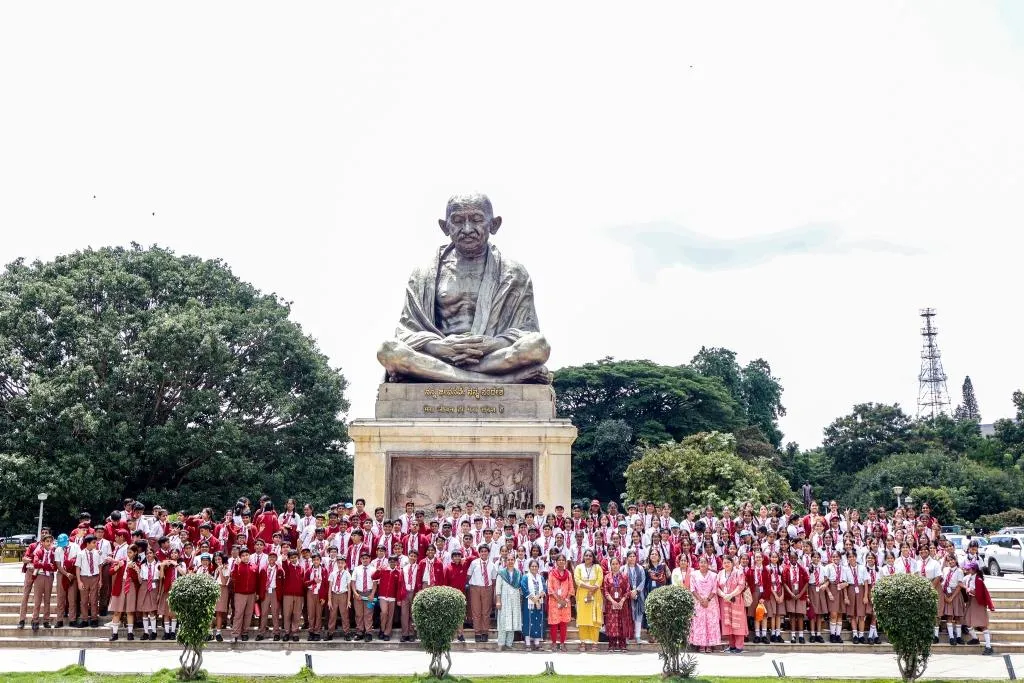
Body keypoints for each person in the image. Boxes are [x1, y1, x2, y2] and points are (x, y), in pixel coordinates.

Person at [689, 554, 721, 653]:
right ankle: (701, 644)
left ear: (708, 564)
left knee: (710, 623)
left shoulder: (714, 575)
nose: (703, 564)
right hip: (698, 602)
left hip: (711, 602)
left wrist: (707, 600)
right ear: (698, 563)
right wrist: (701, 600)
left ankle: (710, 645)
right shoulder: (694, 574)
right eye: (701, 562)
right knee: (700, 623)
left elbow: (715, 589)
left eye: (705, 562)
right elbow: (692, 589)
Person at [962, 561, 995, 655]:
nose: (967, 570)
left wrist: (969, 590)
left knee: (982, 624)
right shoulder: (968, 577)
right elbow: (962, 582)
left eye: (969, 568)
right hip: (971, 602)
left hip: (978, 603)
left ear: (974, 570)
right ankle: (975, 639)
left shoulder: (979, 580)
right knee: (967, 622)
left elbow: (980, 594)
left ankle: (988, 646)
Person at [107, 544, 139, 641]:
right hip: (120, 585)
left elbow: (137, 580)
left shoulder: (137, 563)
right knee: (117, 611)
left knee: (129, 611)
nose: (128, 554)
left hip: (131, 586)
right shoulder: (122, 561)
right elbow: (111, 572)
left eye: (130, 552)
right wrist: (117, 567)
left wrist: (133, 569)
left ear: (135, 553)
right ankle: (115, 633)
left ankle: (130, 633)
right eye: (127, 552)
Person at [717, 555, 748, 654]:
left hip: (736, 600)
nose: (726, 564)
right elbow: (716, 586)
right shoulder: (720, 573)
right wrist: (723, 594)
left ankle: (739, 647)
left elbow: (741, 585)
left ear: (732, 563)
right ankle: (732, 646)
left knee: (737, 622)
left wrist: (730, 594)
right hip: (725, 601)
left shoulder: (738, 572)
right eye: (725, 563)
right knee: (728, 624)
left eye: (728, 562)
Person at [574, 549, 604, 651]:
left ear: (593, 557)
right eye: (586, 555)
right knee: (582, 619)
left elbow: (599, 580)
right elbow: (577, 580)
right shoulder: (579, 567)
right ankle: (583, 642)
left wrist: (592, 589)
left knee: (594, 619)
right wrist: (589, 587)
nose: (588, 557)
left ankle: (595, 643)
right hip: (582, 595)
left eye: (590, 556)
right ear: (583, 557)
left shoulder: (597, 567)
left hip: (595, 594)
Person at [467, 545, 496, 643]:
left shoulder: (492, 564)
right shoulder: (474, 563)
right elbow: (468, 575)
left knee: (486, 612)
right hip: (475, 588)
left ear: (488, 552)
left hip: (487, 588)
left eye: (485, 551)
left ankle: (485, 632)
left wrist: (492, 590)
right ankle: (477, 632)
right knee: (476, 611)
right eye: (482, 551)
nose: (484, 553)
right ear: (479, 553)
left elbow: (493, 579)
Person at [603, 556, 632, 651]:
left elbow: (628, 590)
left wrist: (622, 601)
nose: (615, 566)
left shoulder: (624, 576)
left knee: (622, 623)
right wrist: (613, 602)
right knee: (612, 624)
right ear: (610, 565)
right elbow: (606, 591)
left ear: (620, 565)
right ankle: (612, 644)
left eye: (616, 564)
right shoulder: (607, 577)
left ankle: (622, 645)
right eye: (613, 564)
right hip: (611, 604)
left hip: (622, 604)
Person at [495, 554, 523, 650]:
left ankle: (509, 644)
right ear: (505, 561)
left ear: (514, 561)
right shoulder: (501, 573)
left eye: (512, 560)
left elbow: (520, 587)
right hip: (504, 599)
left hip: (515, 600)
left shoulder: (518, 573)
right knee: (503, 621)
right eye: (508, 560)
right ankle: (500, 644)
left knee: (513, 621)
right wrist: (498, 601)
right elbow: (498, 588)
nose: (510, 561)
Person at [547, 554, 574, 652]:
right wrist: (559, 600)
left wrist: (565, 600)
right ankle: (554, 643)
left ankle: (562, 643)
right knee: (554, 624)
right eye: (559, 560)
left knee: (563, 623)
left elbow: (571, 588)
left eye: (563, 560)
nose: (561, 562)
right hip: (554, 601)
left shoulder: (568, 574)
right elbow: (550, 588)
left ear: (565, 562)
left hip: (565, 602)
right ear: (556, 562)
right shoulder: (551, 573)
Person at [232, 547, 259, 642]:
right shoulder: (238, 565)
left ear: (249, 556)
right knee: (239, 614)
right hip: (240, 594)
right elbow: (234, 577)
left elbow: (257, 581)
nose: (245, 557)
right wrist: (236, 566)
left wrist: (257, 593)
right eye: (243, 556)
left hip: (251, 594)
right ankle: (235, 633)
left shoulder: (254, 566)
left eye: (246, 555)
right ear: (240, 557)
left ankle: (245, 633)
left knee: (248, 614)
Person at [75, 534, 102, 628]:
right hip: (84, 577)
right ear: (88, 543)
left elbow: (99, 566)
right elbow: (78, 568)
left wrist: (100, 580)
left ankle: (94, 619)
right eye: (94, 543)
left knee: (94, 599)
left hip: (95, 577)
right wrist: (79, 581)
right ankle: (85, 619)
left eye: (96, 542)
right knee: (84, 600)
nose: (95, 544)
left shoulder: (97, 553)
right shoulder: (80, 554)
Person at [257, 550, 284, 641]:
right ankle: (261, 632)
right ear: (268, 559)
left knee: (275, 613)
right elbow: (260, 583)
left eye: (274, 557)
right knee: (264, 613)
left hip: (275, 591)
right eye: (270, 557)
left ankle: (276, 632)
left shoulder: (279, 569)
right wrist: (259, 593)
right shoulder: (264, 569)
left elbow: (282, 583)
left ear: (276, 559)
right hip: (265, 591)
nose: (272, 559)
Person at [520, 559, 546, 650]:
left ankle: (537, 642)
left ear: (538, 568)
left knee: (537, 621)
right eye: (532, 566)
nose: (534, 568)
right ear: (529, 567)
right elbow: (524, 588)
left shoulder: (541, 578)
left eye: (536, 566)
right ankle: (527, 643)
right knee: (528, 621)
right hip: (529, 603)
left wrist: (538, 598)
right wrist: (534, 600)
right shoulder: (525, 577)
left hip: (539, 603)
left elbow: (544, 589)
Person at [940, 553, 965, 646]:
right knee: (949, 616)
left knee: (957, 616)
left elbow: (959, 586)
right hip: (947, 592)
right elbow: (942, 583)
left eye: (952, 559)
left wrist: (952, 597)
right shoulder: (945, 570)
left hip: (956, 594)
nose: (951, 561)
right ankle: (951, 637)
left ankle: (958, 637)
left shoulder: (959, 571)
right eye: (949, 560)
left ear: (955, 560)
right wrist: (945, 596)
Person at [137, 547, 161, 641]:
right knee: (144, 610)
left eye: (150, 553)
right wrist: (138, 572)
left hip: (154, 585)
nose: (148, 555)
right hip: (144, 585)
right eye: (147, 553)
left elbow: (161, 578)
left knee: (152, 610)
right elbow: (140, 580)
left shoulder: (159, 565)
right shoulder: (143, 566)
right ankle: (146, 632)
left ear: (154, 554)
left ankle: (154, 632)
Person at [624, 550, 647, 645]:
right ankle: (626, 637)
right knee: (627, 616)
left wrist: (636, 591)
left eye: (634, 556)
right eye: (630, 556)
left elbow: (643, 581)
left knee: (638, 616)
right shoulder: (623, 569)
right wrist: (629, 592)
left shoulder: (641, 568)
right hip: (627, 596)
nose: (632, 558)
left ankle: (637, 636)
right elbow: (623, 582)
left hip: (638, 595)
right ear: (627, 558)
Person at [212, 552, 230, 641]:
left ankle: (218, 632)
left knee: (219, 612)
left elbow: (223, 582)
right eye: (215, 559)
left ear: (223, 559)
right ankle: (210, 632)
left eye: (219, 559)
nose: (217, 561)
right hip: (215, 589)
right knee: (212, 612)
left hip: (222, 590)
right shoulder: (216, 569)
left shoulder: (226, 568)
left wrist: (220, 571)